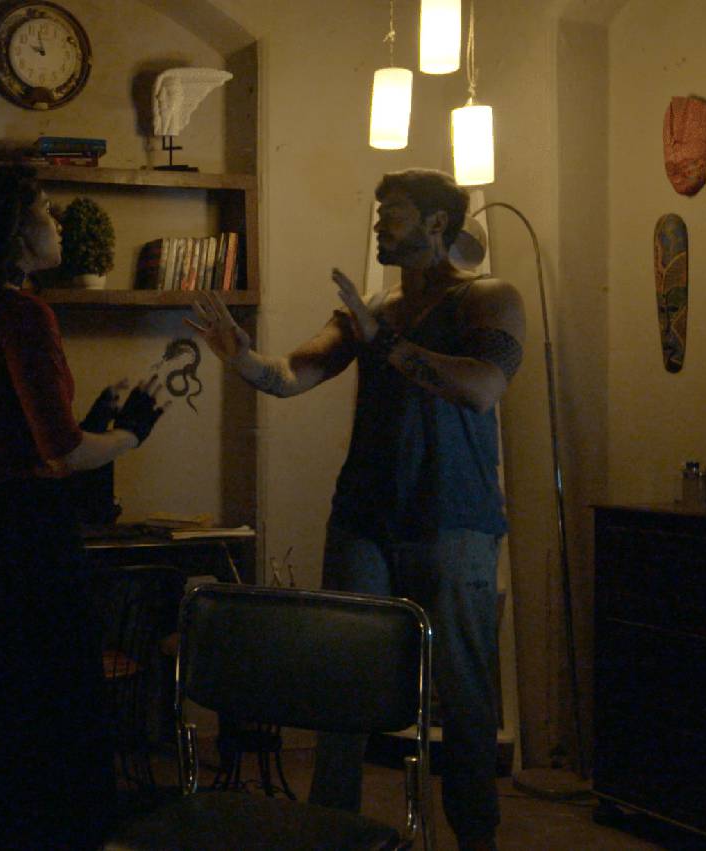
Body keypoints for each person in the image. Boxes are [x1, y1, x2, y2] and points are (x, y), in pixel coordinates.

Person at [185, 168, 525, 851]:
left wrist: (386, 343)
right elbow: (288, 376)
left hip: (454, 519)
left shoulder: (489, 298)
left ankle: (476, 838)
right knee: (340, 684)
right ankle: (331, 832)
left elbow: (483, 387)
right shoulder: (373, 310)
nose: (378, 225)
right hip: (363, 520)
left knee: (464, 693)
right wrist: (242, 357)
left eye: (392, 213)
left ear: (436, 223)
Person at [0, 165, 168, 850]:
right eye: (46, 210)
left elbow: (9, 426)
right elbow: (60, 453)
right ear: (15, 233)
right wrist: (131, 434)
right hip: (16, 526)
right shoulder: (23, 314)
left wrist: (93, 421)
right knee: (37, 695)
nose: (58, 223)